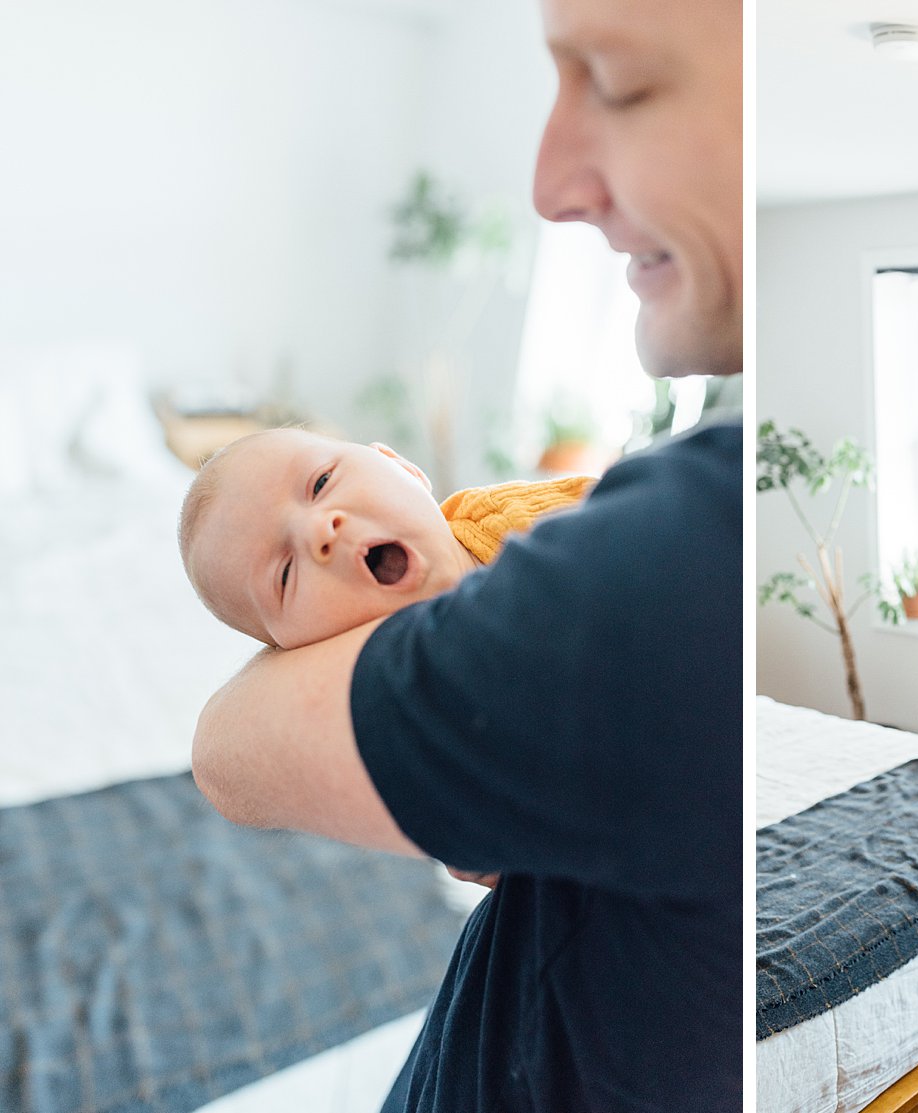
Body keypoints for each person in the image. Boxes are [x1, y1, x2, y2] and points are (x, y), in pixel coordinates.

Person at [189, 0, 742, 1106]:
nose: (326, 528)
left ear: (397, 460)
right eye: (287, 573)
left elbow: (229, 752)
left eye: (622, 84)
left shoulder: (581, 544)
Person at [178, 427, 591, 650]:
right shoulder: (388, 703)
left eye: (322, 482)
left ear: (403, 467)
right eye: (284, 574)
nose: (319, 530)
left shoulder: (520, 516)